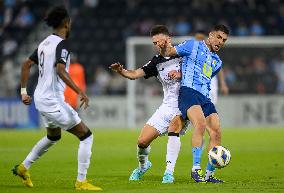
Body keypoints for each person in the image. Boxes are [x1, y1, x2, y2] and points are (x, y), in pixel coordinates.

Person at [11, 6, 102, 191]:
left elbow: (26, 64)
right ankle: (81, 182)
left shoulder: (44, 43)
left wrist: (23, 91)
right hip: (52, 100)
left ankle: (23, 167)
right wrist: (80, 91)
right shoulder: (63, 44)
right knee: (86, 136)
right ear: (66, 24)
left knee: (53, 136)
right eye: (70, 23)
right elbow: (61, 70)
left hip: (40, 98)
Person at [109, 25, 188, 184]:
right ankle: (143, 166)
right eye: (155, 42)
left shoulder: (184, 55)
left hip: (184, 105)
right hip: (166, 106)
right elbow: (135, 74)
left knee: (174, 128)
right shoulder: (156, 62)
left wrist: (180, 74)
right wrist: (121, 71)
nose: (158, 44)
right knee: (142, 142)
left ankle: (168, 173)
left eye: (161, 41)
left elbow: (198, 72)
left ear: (169, 39)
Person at [165, 24, 230, 183]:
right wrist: (165, 44)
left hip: (205, 97)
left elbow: (204, 75)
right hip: (188, 92)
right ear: (211, 35)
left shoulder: (217, 61)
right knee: (200, 123)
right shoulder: (192, 45)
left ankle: (209, 175)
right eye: (219, 37)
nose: (221, 42)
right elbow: (170, 52)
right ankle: (196, 169)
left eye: (224, 40)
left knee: (216, 131)